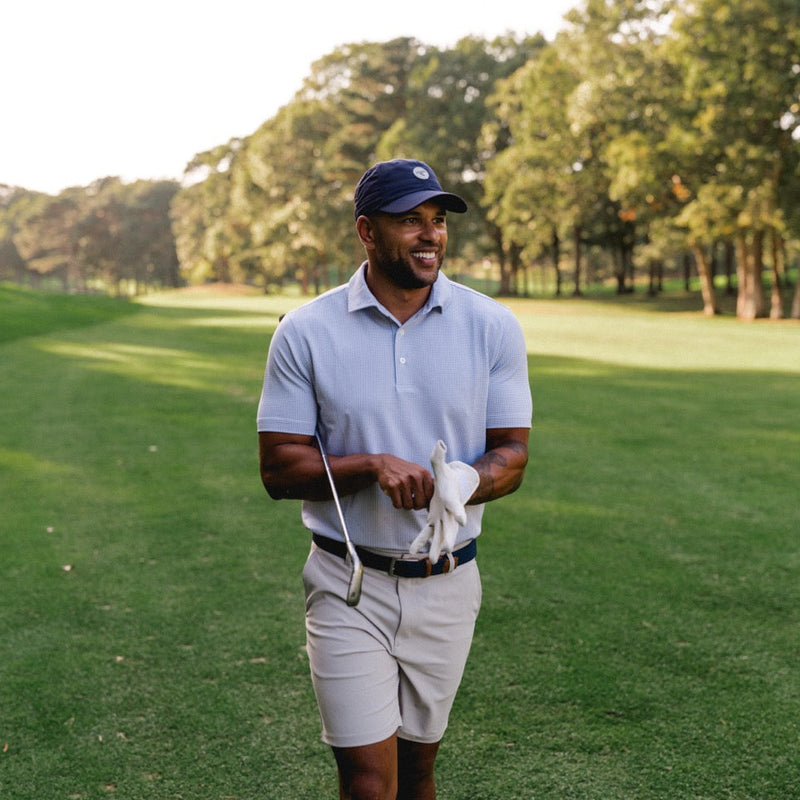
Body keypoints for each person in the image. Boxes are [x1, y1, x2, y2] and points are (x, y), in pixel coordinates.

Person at [257, 158, 532, 800]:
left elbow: (512, 454)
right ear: (366, 232)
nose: (430, 234)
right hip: (348, 582)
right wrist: (372, 465)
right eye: (410, 221)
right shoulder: (305, 331)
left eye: (437, 221)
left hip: (448, 581)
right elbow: (279, 467)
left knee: (417, 774)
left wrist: (465, 480)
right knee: (367, 782)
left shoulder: (492, 326)